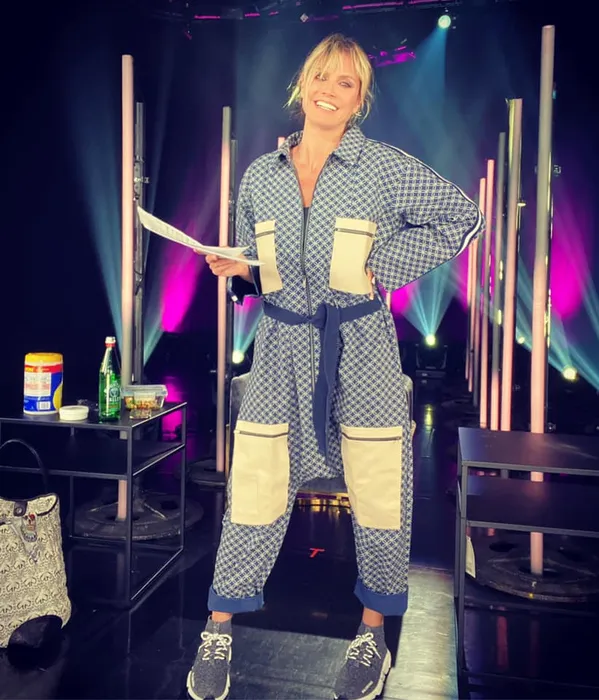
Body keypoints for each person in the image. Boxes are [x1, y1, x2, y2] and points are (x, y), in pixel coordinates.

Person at [186, 33, 483, 700]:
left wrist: (385, 267)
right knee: (255, 486)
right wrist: (239, 269)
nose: (329, 89)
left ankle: (372, 634)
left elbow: (461, 217)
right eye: (321, 76)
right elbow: (260, 269)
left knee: (378, 490)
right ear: (302, 85)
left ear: (359, 99)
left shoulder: (383, 168)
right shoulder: (259, 176)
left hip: (363, 347)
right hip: (279, 347)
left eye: (345, 82)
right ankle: (218, 627)